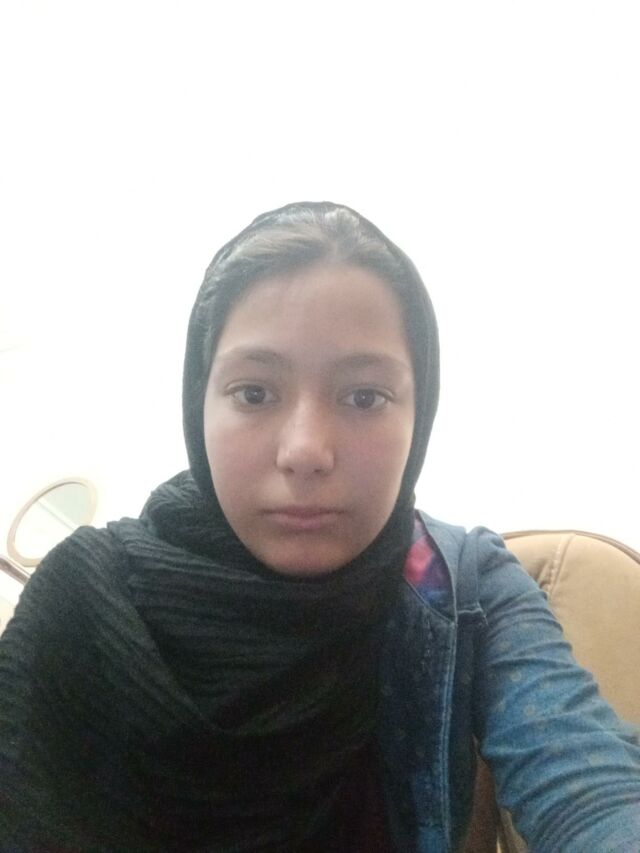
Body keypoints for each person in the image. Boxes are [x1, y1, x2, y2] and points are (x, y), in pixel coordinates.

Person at [0, 201, 639, 852]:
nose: (305, 450)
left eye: (364, 396)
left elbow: (586, 780)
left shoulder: (460, 586)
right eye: (255, 393)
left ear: (419, 415)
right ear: (199, 402)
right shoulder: (84, 595)